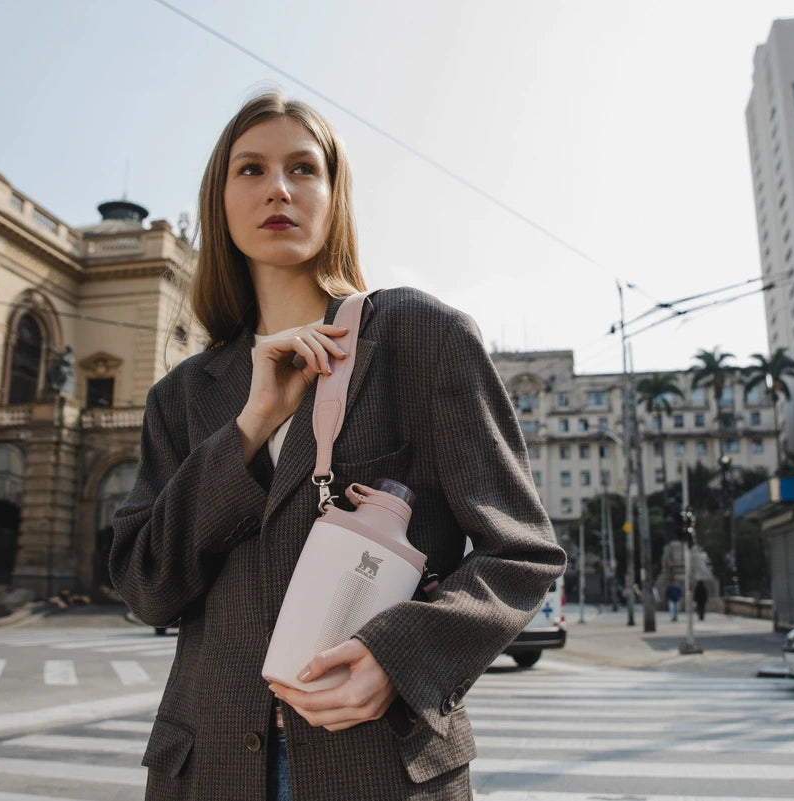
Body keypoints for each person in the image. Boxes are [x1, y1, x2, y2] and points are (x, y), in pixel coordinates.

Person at [109, 92, 565, 801]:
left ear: (334, 194)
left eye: (303, 169)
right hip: (208, 771)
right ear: (219, 200)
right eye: (251, 170)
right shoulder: (184, 395)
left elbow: (522, 552)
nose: (279, 189)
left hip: (377, 767)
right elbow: (145, 584)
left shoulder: (419, 336)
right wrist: (250, 426)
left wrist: (400, 656)